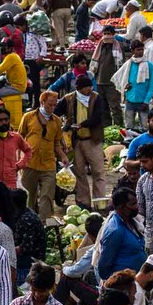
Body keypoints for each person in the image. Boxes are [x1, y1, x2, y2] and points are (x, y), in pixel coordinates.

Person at [57, 75, 107, 207]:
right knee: (79, 173)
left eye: (90, 86)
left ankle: (100, 203)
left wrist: (82, 124)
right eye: (86, 87)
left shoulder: (96, 98)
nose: (89, 89)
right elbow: (56, 113)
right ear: (79, 88)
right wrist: (66, 127)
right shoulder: (68, 99)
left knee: (98, 172)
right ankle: (83, 202)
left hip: (93, 140)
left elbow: (97, 116)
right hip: (76, 142)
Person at [19, 91, 69, 219]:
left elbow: (56, 143)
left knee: (47, 196)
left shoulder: (56, 122)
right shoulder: (28, 117)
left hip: (48, 164)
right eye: (49, 104)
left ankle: (44, 223)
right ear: (42, 102)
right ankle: (27, 222)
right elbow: (19, 138)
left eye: (54, 105)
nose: (52, 108)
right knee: (28, 196)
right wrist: (19, 160)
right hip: (30, 163)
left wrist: (63, 156)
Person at [97, 188, 146, 282]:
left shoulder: (131, 221)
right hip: (123, 284)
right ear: (120, 207)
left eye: (136, 203)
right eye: (132, 204)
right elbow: (104, 265)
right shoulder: (115, 231)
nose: (137, 207)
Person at [0, 105, 32, 190]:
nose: (4, 122)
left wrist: (19, 165)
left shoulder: (16, 137)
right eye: (0, 120)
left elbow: (28, 151)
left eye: (6, 119)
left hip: (10, 182)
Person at [114, 42, 153, 129]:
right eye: (138, 50)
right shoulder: (128, 65)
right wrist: (125, 86)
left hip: (143, 101)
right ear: (132, 51)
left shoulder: (149, 66)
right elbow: (122, 79)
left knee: (145, 126)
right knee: (129, 126)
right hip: (130, 99)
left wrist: (146, 101)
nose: (140, 52)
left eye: (142, 49)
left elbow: (151, 86)